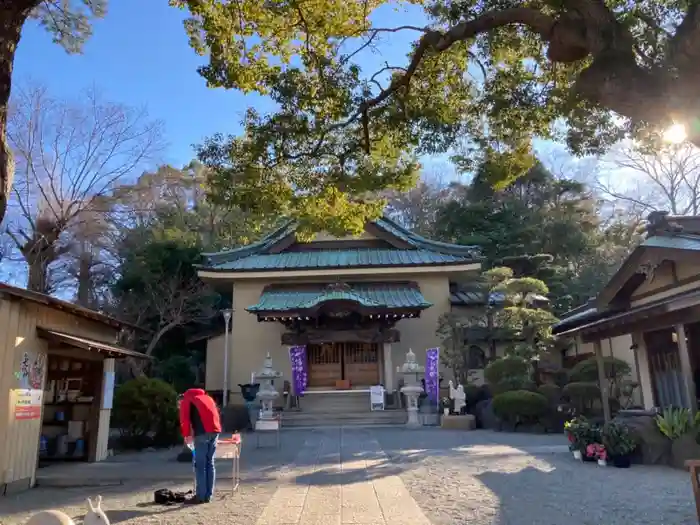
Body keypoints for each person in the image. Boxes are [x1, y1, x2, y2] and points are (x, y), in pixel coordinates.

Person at [179, 388, 222, 504]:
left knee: (200, 465)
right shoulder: (208, 398)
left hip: (202, 434)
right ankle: (208, 495)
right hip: (215, 432)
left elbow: (185, 419)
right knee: (210, 463)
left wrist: (186, 435)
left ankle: (200, 496)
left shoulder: (188, 399)